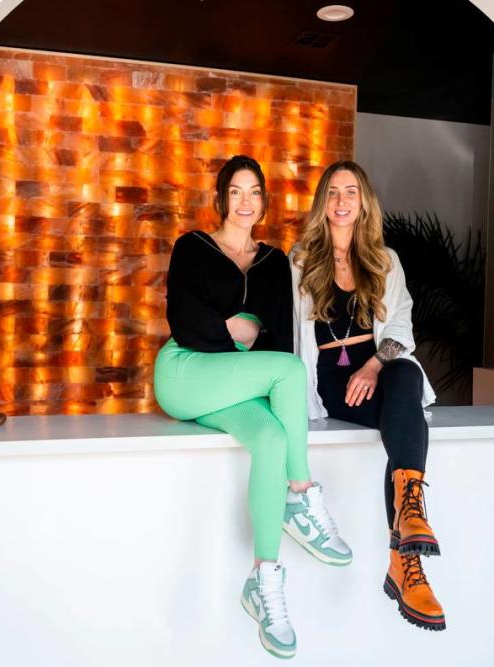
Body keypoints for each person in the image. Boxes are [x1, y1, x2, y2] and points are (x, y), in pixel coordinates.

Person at [154, 155, 351, 659]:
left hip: (233, 386)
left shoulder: (273, 263)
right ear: (222, 199)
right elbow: (184, 320)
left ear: (264, 201)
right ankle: (302, 495)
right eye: (236, 192)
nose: (245, 201)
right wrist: (234, 329)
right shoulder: (193, 248)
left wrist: (247, 336)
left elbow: (279, 335)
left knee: (271, 439)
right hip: (184, 373)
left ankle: (263, 580)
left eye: (254, 192)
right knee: (288, 370)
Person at [289, 160, 446, 631]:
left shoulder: (385, 259)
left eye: (351, 192)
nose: (342, 201)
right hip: (333, 382)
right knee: (406, 414)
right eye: (333, 192)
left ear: (364, 202)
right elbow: (289, 333)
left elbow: (400, 324)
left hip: (375, 371)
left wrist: (375, 364)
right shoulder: (300, 259)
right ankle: (406, 559)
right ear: (323, 203)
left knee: (404, 376)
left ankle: (407, 531)